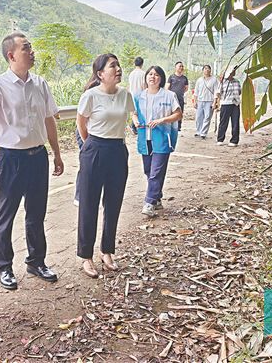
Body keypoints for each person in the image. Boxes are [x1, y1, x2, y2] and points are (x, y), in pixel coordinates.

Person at [0, 33, 64, 290]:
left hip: (38, 156)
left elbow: (49, 119)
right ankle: (3, 266)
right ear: (11, 55)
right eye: (26, 48)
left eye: (31, 47)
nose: (32, 52)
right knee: (5, 214)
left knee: (37, 213)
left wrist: (56, 153)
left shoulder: (40, 84)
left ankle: (36, 261)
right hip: (12, 158)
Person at [76, 54, 135, 279]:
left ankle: (107, 251)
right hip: (95, 149)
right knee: (88, 204)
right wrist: (90, 146)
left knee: (113, 203)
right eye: (113, 66)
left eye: (118, 65)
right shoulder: (90, 96)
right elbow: (81, 123)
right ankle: (86, 256)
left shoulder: (125, 95)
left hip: (118, 150)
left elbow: (127, 119)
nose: (118, 69)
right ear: (100, 74)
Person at [131, 66, 182, 217]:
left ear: (161, 78)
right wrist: (135, 121)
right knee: (148, 170)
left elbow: (178, 114)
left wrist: (162, 120)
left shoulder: (169, 95)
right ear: (146, 77)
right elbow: (134, 113)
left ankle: (149, 202)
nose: (153, 77)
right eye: (150, 74)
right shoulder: (138, 96)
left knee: (156, 171)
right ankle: (157, 197)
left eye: (156, 75)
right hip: (144, 137)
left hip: (162, 138)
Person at [215, 68, 242, 147]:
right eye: (231, 72)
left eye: (233, 72)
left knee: (235, 122)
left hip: (235, 104)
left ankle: (234, 141)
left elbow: (239, 91)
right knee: (223, 122)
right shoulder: (222, 82)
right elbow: (218, 93)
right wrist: (217, 102)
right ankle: (220, 139)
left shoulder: (237, 81)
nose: (233, 73)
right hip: (225, 104)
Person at [192, 64, 219, 139]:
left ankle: (203, 133)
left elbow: (216, 91)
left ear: (210, 70)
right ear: (203, 70)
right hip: (200, 101)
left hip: (210, 101)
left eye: (208, 69)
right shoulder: (199, 80)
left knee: (207, 117)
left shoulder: (214, 80)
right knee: (198, 117)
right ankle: (198, 131)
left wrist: (214, 102)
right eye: (205, 68)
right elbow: (196, 91)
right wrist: (195, 101)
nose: (207, 70)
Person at [167, 61, 189, 133]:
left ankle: (178, 127)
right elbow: (167, 87)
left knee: (180, 112)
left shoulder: (184, 78)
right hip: (172, 98)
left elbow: (186, 88)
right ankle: (170, 125)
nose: (181, 67)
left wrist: (181, 92)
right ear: (175, 67)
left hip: (180, 98)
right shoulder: (171, 77)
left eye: (182, 66)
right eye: (180, 66)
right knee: (171, 112)